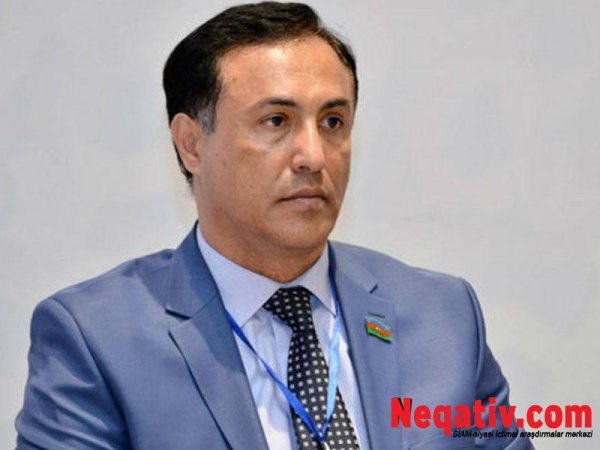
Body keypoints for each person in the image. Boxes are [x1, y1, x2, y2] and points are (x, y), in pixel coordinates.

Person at [15, 2, 533, 449]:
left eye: (333, 122)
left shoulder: (443, 316)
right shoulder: (97, 339)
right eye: (277, 122)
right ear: (191, 144)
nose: (314, 156)